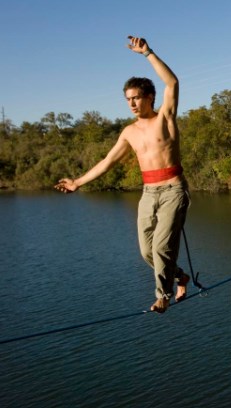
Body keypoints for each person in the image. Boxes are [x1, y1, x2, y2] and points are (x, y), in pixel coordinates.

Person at [55, 36, 190, 313]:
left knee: (162, 247)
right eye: (128, 99)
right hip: (148, 192)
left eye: (136, 98)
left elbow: (172, 83)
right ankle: (180, 276)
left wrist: (148, 53)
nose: (131, 104)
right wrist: (78, 182)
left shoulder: (165, 117)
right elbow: (107, 161)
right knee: (146, 252)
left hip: (173, 189)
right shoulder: (128, 132)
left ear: (149, 97)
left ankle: (162, 295)